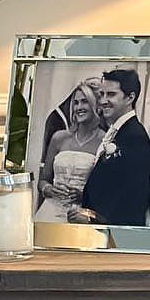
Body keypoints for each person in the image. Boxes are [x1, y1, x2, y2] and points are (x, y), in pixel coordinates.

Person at [75, 68, 150, 227]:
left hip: (115, 234)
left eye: (111, 94)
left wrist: (93, 218)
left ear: (130, 98)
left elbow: (134, 196)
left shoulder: (135, 137)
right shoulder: (117, 131)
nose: (103, 101)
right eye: (101, 95)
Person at [34, 80, 104, 222]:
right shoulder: (59, 138)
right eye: (76, 103)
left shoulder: (104, 142)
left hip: (80, 215)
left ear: (96, 105)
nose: (79, 107)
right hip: (49, 211)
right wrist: (48, 189)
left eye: (84, 101)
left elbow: (105, 191)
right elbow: (43, 180)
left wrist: (83, 196)